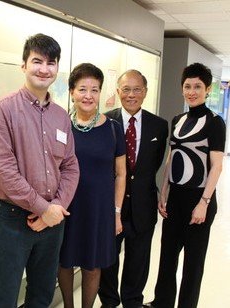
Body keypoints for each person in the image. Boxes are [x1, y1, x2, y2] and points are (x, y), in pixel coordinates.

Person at [0, 33, 80, 308]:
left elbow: (71, 165)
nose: (44, 68)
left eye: (51, 63)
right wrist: (43, 209)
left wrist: (56, 208)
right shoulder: (2, 110)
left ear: (57, 69)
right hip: (13, 221)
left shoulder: (62, 115)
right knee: (4, 297)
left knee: (41, 295)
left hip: (52, 221)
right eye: (37, 61)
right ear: (23, 65)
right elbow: (5, 171)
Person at [146, 62, 226, 308]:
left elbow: (216, 166)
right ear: (182, 88)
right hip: (176, 198)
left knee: (193, 263)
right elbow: (172, 157)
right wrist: (165, 191)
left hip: (199, 200)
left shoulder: (215, 122)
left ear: (208, 90)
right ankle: (162, 302)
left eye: (198, 87)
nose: (192, 91)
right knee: (167, 257)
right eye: (187, 86)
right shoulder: (178, 120)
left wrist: (204, 203)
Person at [58, 63, 127, 308]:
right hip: (67, 205)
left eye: (94, 90)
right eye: (82, 89)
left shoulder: (113, 129)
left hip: (98, 208)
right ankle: (68, 306)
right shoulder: (61, 126)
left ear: (100, 93)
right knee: (64, 261)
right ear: (71, 92)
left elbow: (121, 174)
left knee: (92, 263)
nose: (88, 95)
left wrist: (116, 212)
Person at [98, 70, 168, 308]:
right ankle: (109, 302)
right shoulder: (104, 122)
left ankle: (132, 302)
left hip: (143, 206)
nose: (131, 95)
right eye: (126, 89)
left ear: (145, 92)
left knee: (138, 261)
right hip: (111, 207)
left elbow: (153, 165)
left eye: (137, 89)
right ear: (118, 92)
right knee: (108, 261)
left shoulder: (159, 126)